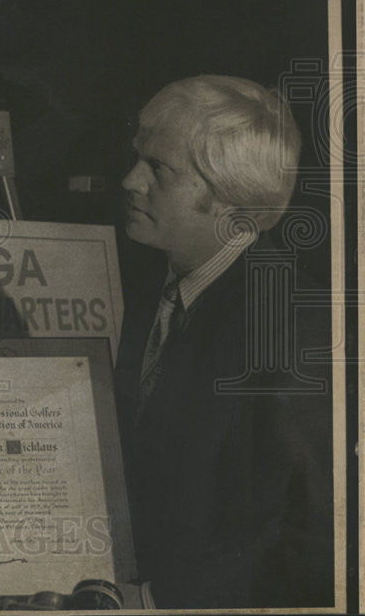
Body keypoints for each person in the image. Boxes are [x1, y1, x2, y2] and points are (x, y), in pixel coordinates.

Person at [114, 75, 334, 608]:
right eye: (137, 158)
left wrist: (149, 601)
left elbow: (302, 540)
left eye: (158, 168)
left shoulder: (294, 329)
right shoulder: (151, 295)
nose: (129, 180)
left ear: (229, 199)